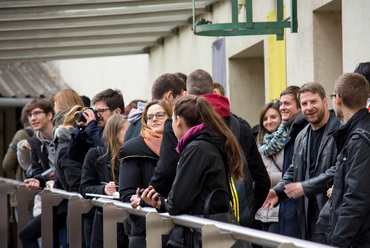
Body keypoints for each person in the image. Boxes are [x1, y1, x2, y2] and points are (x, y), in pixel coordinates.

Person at [150, 69, 270, 225]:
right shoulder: (240, 126)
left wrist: (151, 198)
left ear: (186, 95)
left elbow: (167, 170)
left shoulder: (179, 125)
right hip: (240, 222)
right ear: (214, 92)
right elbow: (262, 180)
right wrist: (246, 211)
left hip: (198, 223)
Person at [141, 95, 244, 247]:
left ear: (179, 121)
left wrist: (164, 203)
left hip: (200, 234)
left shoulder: (196, 148)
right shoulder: (208, 143)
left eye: (172, 120)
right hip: (210, 230)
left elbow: (177, 203)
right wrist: (161, 203)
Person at [263, 82, 341, 243]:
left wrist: (305, 187)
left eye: (313, 102)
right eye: (304, 104)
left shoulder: (340, 129)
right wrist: (278, 191)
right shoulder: (302, 136)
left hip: (335, 214)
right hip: (308, 216)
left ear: (325, 101)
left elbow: (341, 168)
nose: (309, 107)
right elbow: (294, 170)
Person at [119, 100, 172, 247]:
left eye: (160, 115)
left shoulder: (180, 147)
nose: (154, 119)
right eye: (150, 117)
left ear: (170, 117)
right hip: (145, 233)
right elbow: (127, 194)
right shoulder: (133, 149)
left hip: (178, 231)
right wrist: (150, 227)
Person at [329, 73, 370, 247]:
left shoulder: (359, 139)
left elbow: (356, 196)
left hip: (359, 238)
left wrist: (338, 241)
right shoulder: (359, 133)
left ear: (338, 99)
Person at [79, 114, 129, 248]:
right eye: (128, 131)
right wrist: (103, 190)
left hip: (127, 224)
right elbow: (84, 188)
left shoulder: (132, 156)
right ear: (116, 133)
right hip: (103, 223)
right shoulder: (95, 154)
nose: (132, 134)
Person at [277, 86, 308, 238]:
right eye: (281, 104)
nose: (282, 108)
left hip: (298, 206)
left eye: (287, 104)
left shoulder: (303, 132)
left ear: (299, 106)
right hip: (288, 204)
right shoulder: (291, 131)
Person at [254, 101, 287, 235]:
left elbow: (295, 173)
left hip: (281, 206)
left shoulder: (288, 141)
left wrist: (270, 178)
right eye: (265, 119)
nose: (269, 122)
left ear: (280, 118)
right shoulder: (260, 144)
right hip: (263, 208)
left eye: (273, 117)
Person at [68, 88, 124, 163]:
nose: (97, 115)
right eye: (95, 111)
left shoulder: (125, 132)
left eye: (101, 111)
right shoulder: (96, 132)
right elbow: (74, 155)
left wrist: (92, 127)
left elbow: (110, 148)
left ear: (116, 112)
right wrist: (80, 130)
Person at [124, 73, 185, 142]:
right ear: (169, 96)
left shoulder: (133, 124)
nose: (181, 105)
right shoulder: (161, 125)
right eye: (179, 99)